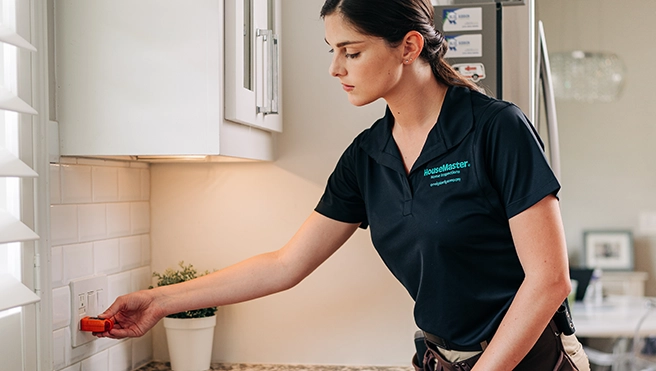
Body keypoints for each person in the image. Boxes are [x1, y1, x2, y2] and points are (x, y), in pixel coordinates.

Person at [95, 0, 590, 370]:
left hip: (531, 358)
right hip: (442, 358)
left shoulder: (494, 128)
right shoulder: (367, 156)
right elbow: (285, 264)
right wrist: (159, 300)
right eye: (333, 51)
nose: (336, 68)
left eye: (351, 52)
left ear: (409, 46)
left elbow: (549, 280)